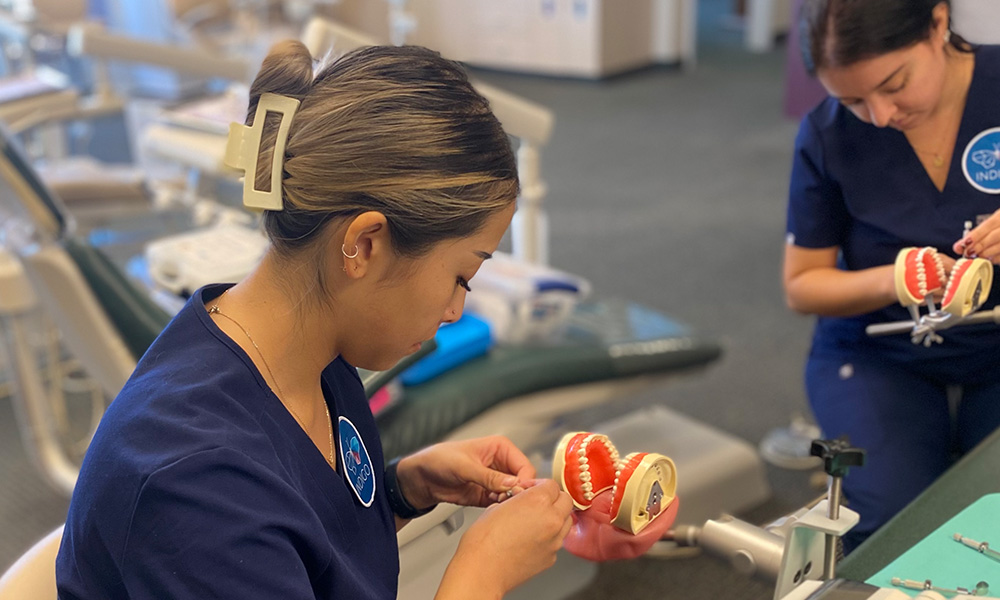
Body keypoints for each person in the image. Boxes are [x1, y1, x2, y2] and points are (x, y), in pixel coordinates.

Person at [55, 41, 575, 599]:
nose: (456, 312)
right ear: (365, 244)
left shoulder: (302, 349)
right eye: (461, 277)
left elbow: (297, 534)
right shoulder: (196, 487)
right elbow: (250, 516)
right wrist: (484, 572)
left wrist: (400, 488)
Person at [784, 0, 1000, 552]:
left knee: (991, 523)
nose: (880, 115)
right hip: (879, 352)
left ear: (937, 22)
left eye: (894, 84)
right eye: (853, 100)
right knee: (894, 532)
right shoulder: (827, 134)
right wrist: (893, 280)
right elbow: (803, 283)